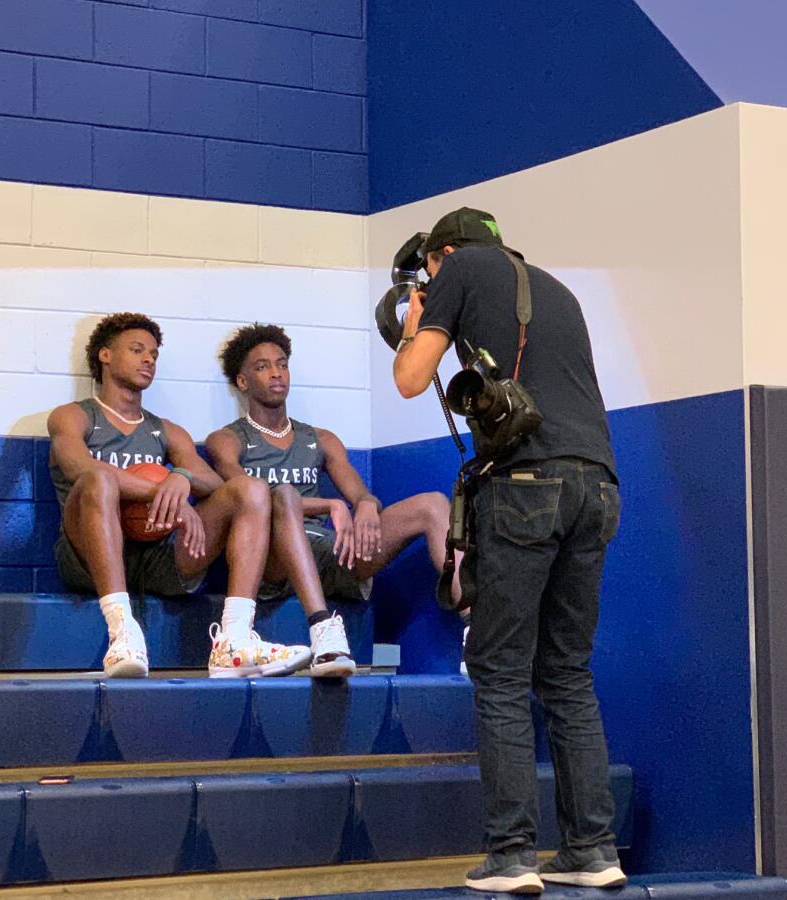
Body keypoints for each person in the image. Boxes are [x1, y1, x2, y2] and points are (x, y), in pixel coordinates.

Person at [392, 208, 627, 894]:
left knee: (498, 670)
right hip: (598, 486)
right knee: (569, 674)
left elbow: (411, 378)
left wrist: (416, 323)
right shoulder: (556, 287)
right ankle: (592, 849)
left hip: (527, 485)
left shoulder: (458, 269)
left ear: (442, 256)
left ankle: (512, 856)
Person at [47, 312, 311, 679]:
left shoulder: (166, 430)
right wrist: (163, 489)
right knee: (98, 480)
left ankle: (234, 639)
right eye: (137, 350)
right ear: (105, 355)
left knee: (249, 489)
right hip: (86, 556)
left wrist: (182, 478)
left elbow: (214, 484)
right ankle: (122, 632)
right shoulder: (73, 417)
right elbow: (78, 468)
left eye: (154, 354)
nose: (148, 360)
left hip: (158, 555)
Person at [206, 323, 457, 677]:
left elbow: (360, 493)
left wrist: (366, 506)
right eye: (262, 366)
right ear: (243, 381)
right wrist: (330, 505)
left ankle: (475, 626)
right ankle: (322, 628)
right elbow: (249, 494)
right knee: (283, 496)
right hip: (271, 560)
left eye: (281, 363)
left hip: (326, 551)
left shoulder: (320, 438)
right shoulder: (227, 439)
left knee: (432, 504)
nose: (276, 372)